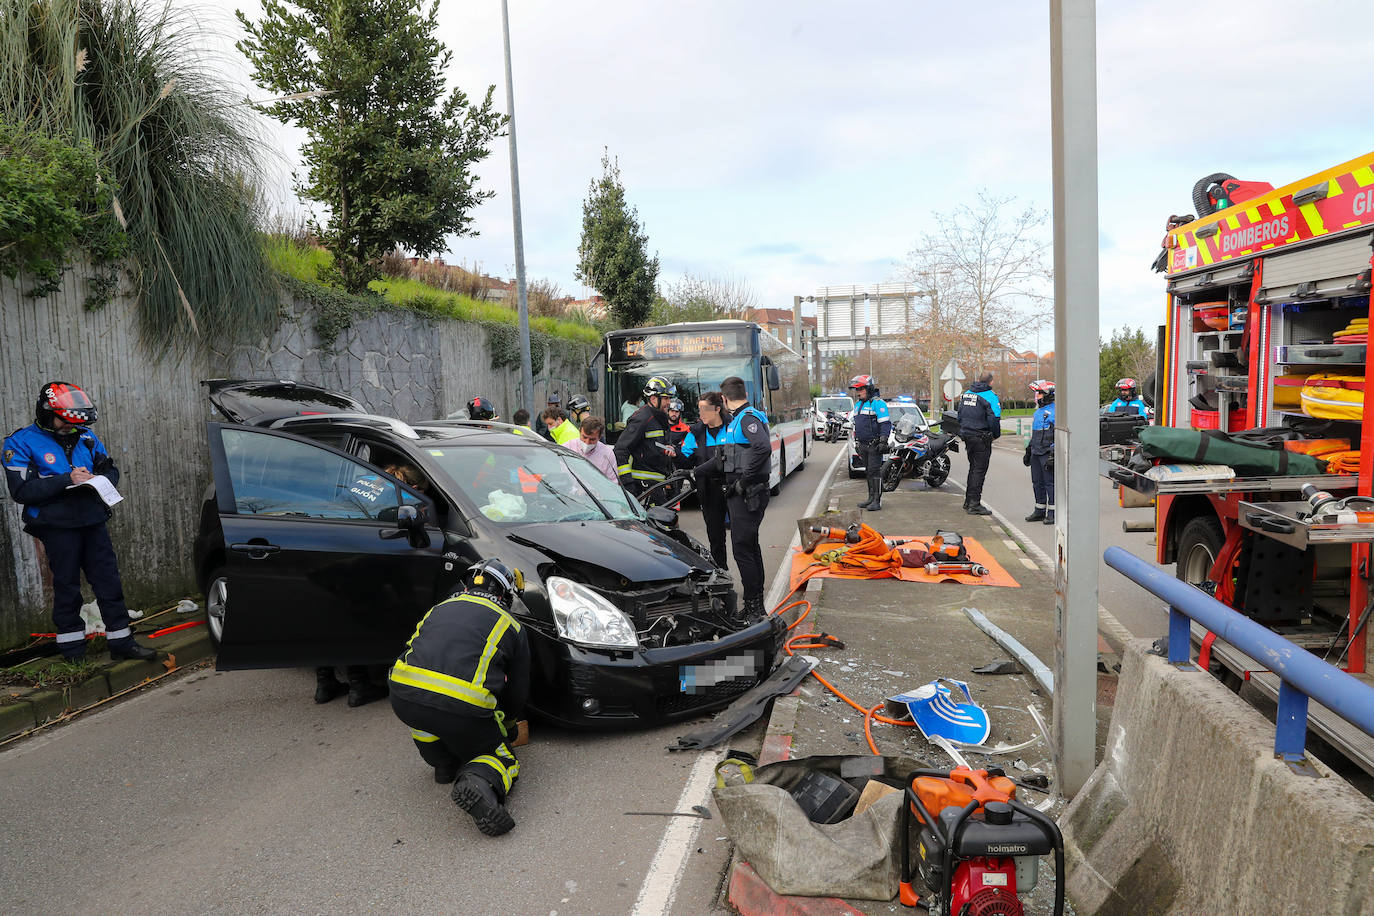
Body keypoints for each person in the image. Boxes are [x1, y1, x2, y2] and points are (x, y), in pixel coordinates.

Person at [3, 382, 156, 662]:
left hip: (93, 519)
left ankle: (122, 643)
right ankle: (73, 652)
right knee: (67, 585)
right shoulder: (19, 442)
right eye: (64, 421)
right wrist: (66, 480)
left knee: (109, 582)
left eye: (75, 423)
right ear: (46, 412)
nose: (69, 427)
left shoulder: (86, 437)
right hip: (57, 526)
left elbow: (109, 469)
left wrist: (102, 480)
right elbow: (21, 491)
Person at [389, 559, 530, 837]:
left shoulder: (438, 609)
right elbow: (517, 688)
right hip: (462, 708)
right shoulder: (510, 625)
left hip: (402, 695)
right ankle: (478, 780)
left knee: (425, 713)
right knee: (500, 755)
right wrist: (510, 723)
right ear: (505, 593)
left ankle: (442, 765)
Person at [717, 376, 771, 616]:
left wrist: (743, 481)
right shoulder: (739, 419)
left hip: (748, 494)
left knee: (742, 549)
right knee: (749, 546)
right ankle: (756, 605)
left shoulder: (747, 419)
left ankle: (753, 607)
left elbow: (762, 447)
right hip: (745, 493)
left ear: (724, 398)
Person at [678, 391, 731, 570]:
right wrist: (674, 454)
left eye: (704, 410)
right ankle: (722, 573)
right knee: (716, 538)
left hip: (733, 489)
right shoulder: (696, 432)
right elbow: (685, 459)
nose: (700, 415)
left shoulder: (733, 426)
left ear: (717, 409)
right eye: (699, 410)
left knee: (741, 539)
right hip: (709, 491)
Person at [614, 376, 677, 504]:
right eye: (665, 398)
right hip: (643, 488)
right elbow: (620, 450)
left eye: (669, 398)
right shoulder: (641, 419)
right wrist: (628, 484)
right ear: (653, 399)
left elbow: (654, 444)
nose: (669, 402)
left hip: (658, 485)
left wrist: (666, 449)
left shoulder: (660, 417)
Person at [957, 371, 1001, 516]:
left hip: (968, 436)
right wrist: (995, 435)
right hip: (981, 437)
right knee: (979, 470)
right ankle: (974, 504)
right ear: (991, 382)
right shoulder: (990, 396)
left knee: (973, 468)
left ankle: (968, 501)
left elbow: (960, 415)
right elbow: (994, 419)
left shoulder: (967, 394)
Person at [848, 375, 891, 512]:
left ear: (869, 388)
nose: (858, 392)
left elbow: (885, 424)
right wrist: (856, 442)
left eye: (861, 389)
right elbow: (857, 425)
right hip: (863, 444)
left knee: (875, 472)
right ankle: (870, 498)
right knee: (868, 472)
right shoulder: (858, 405)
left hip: (874, 444)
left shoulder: (878, 403)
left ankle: (877, 501)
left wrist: (883, 440)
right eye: (857, 389)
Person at [1023, 380, 1056, 525]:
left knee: (1050, 483)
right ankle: (1039, 510)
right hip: (1036, 452)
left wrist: (1053, 453)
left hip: (1047, 452)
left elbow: (1058, 434)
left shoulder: (1056, 411)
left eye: (1041, 393)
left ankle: (1053, 513)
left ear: (1049, 394)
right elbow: (1035, 433)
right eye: (1038, 393)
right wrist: (1029, 450)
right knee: (1037, 482)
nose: (1038, 396)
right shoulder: (1037, 412)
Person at [568, 415, 618, 482]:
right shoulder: (568, 447)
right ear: (580, 432)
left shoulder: (607, 454)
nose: (587, 442)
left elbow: (613, 482)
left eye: (592, 439)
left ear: (599, 438)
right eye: (584, 437)